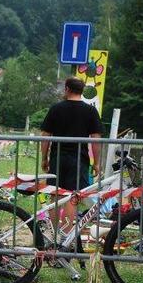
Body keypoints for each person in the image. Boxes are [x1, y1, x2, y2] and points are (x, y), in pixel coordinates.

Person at [40, 76, 103, 231]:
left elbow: (45, 136)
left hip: (57, 157)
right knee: (73, 197)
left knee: (55, 195)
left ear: (67, 89)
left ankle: (53, 234)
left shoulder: (56, 108)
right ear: (82, 91)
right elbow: (96, 139)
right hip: (79, 159)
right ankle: (65, 235)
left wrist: (44, 158)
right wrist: (96, 162)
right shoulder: (90, 111)